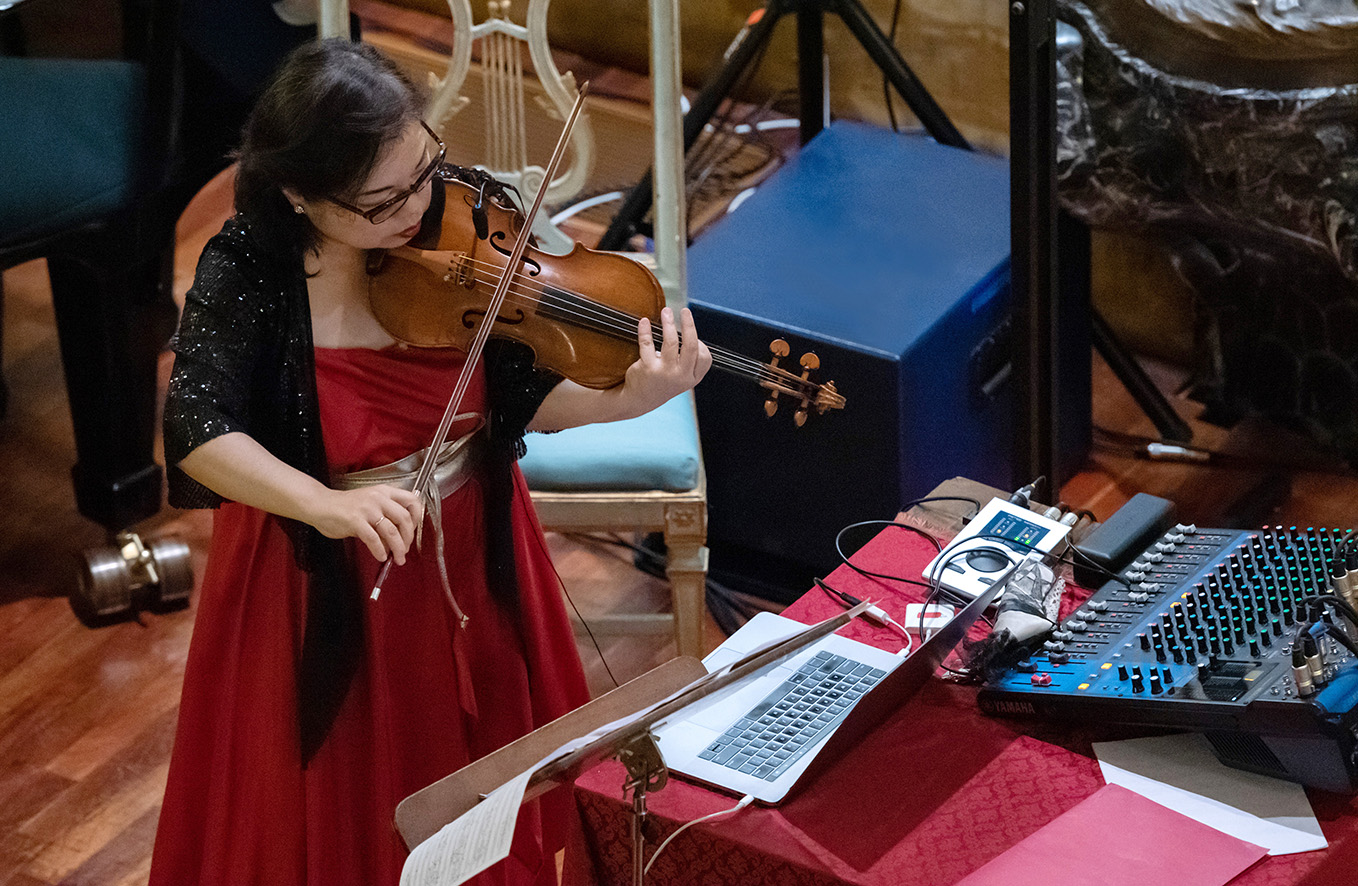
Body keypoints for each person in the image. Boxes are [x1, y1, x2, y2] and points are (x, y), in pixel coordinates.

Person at [148, 38, 711, 886]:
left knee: (495, 785)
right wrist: (322, 504)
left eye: (424, 168)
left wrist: (631, 397)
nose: (419, 210)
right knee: (344, 813)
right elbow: (195, 426)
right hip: (320, 569)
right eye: (382, 203)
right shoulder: (252, 268)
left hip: (475, 538)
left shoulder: (465, 218)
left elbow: (517, 394)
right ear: (303, 196)